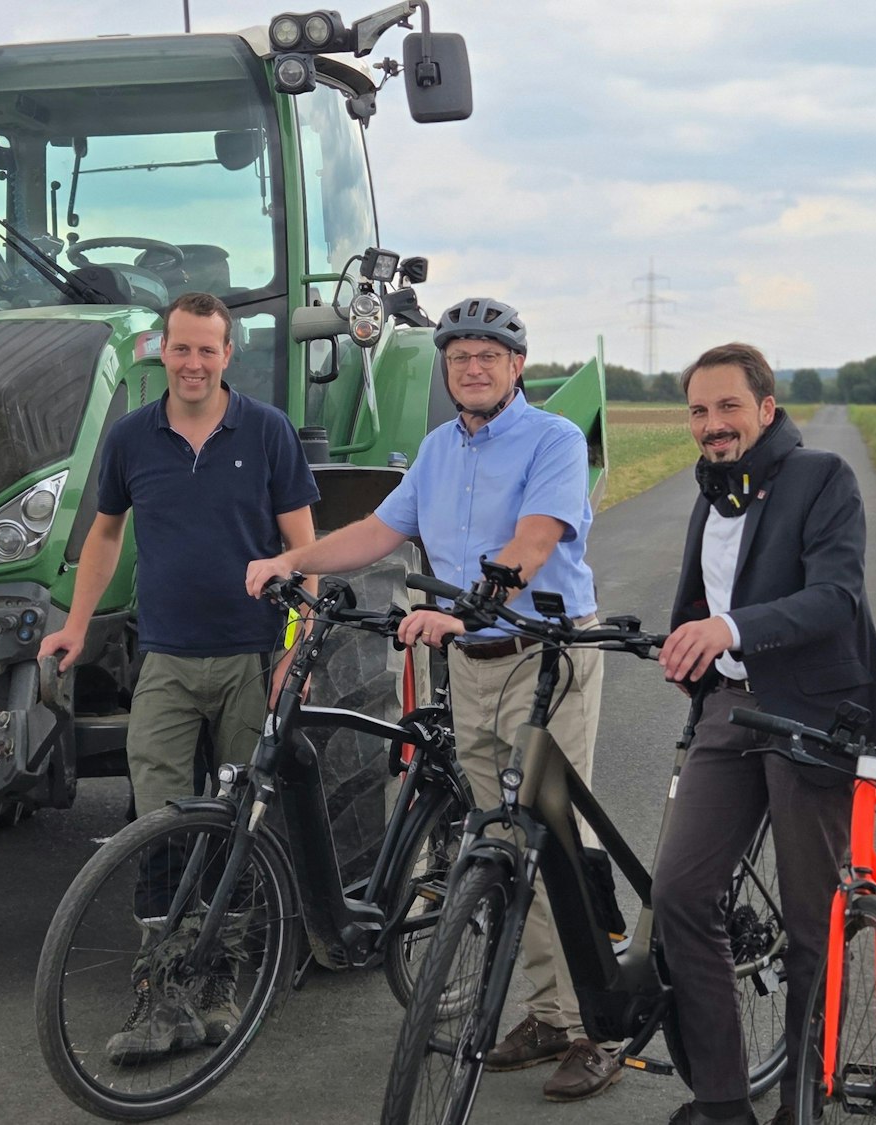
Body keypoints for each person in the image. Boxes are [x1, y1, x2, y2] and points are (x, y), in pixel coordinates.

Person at [245, 297, 620, 1102]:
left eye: (490, 354)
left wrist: (467, 605)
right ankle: (550, 1014)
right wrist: (295, 559)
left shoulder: (552, 439)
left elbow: (535, 540)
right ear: (446, 370)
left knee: (552, 836)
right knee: (500, 843)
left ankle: (596, 1028)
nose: (473, 367)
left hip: (544, 655)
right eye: (460, 357)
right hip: (473, 663)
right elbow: (381, 530)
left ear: (517, 367)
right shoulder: (438, 448)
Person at [39, 290, 320, 1062]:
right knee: (159, 821)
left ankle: (221, 985)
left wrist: (294, 647)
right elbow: (103, 535)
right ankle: (157, 996)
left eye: (208, 349)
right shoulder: (131, 438)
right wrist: (72, 622)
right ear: (159, 351)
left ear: (229, 355)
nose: (194, 362)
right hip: (162, 657)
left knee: (239, 823)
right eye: (182, 348)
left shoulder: (265, 433)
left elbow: (305, 549)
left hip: (249, 656)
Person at [650, 343, 876, 1125]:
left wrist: (730, 626)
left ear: (766, 407)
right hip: (730, 709)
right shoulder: (712, 491)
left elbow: (835, 597)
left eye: (728, 406)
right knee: (681, 894)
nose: (712, 424)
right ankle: (724, 1098)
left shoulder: (821, 478)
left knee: (809, 920)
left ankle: (804, 1100)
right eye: (698, 410)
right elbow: (702, 601)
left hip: (813, 713)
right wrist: (689, 647)